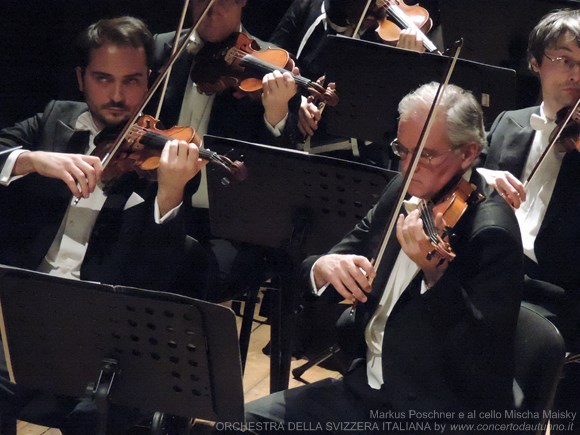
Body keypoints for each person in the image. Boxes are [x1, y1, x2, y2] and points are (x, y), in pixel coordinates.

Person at [245, 82, 523, 434]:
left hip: (431, 411)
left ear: (468, 153)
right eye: (403, 151)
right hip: (365, 390)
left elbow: (480, 361)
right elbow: (335, 255)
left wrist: (434, 275)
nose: (408, 167)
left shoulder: (491, 233)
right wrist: (323, 267)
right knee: (241, 424)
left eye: (426, 154)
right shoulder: (401, 189)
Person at [0, 16, 205, 434]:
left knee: (98, 419)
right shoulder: (55, 120)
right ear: (81, 78)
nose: (116, 95)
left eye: (131, 81)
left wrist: (169, 193)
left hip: (102, 333)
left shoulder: (166, 157)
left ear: (150, 81)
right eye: (103, 79)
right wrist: (34, 160)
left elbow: (160, 276)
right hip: (23, 312)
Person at [478, 9, 579, 432]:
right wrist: (486, 180)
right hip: (495, 272)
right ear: (536, 62)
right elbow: (469, 189)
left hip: (561, 292)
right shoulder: (508, 122)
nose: (578, 73)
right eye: (565, 59)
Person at [269, 0, 440, 166]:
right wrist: (296, 100)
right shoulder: (307, 7)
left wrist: (408, 66)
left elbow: (403, 112)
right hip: (298, 150)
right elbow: (271, 59)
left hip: (367, 159)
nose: (380, 4)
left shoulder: (389, 29)